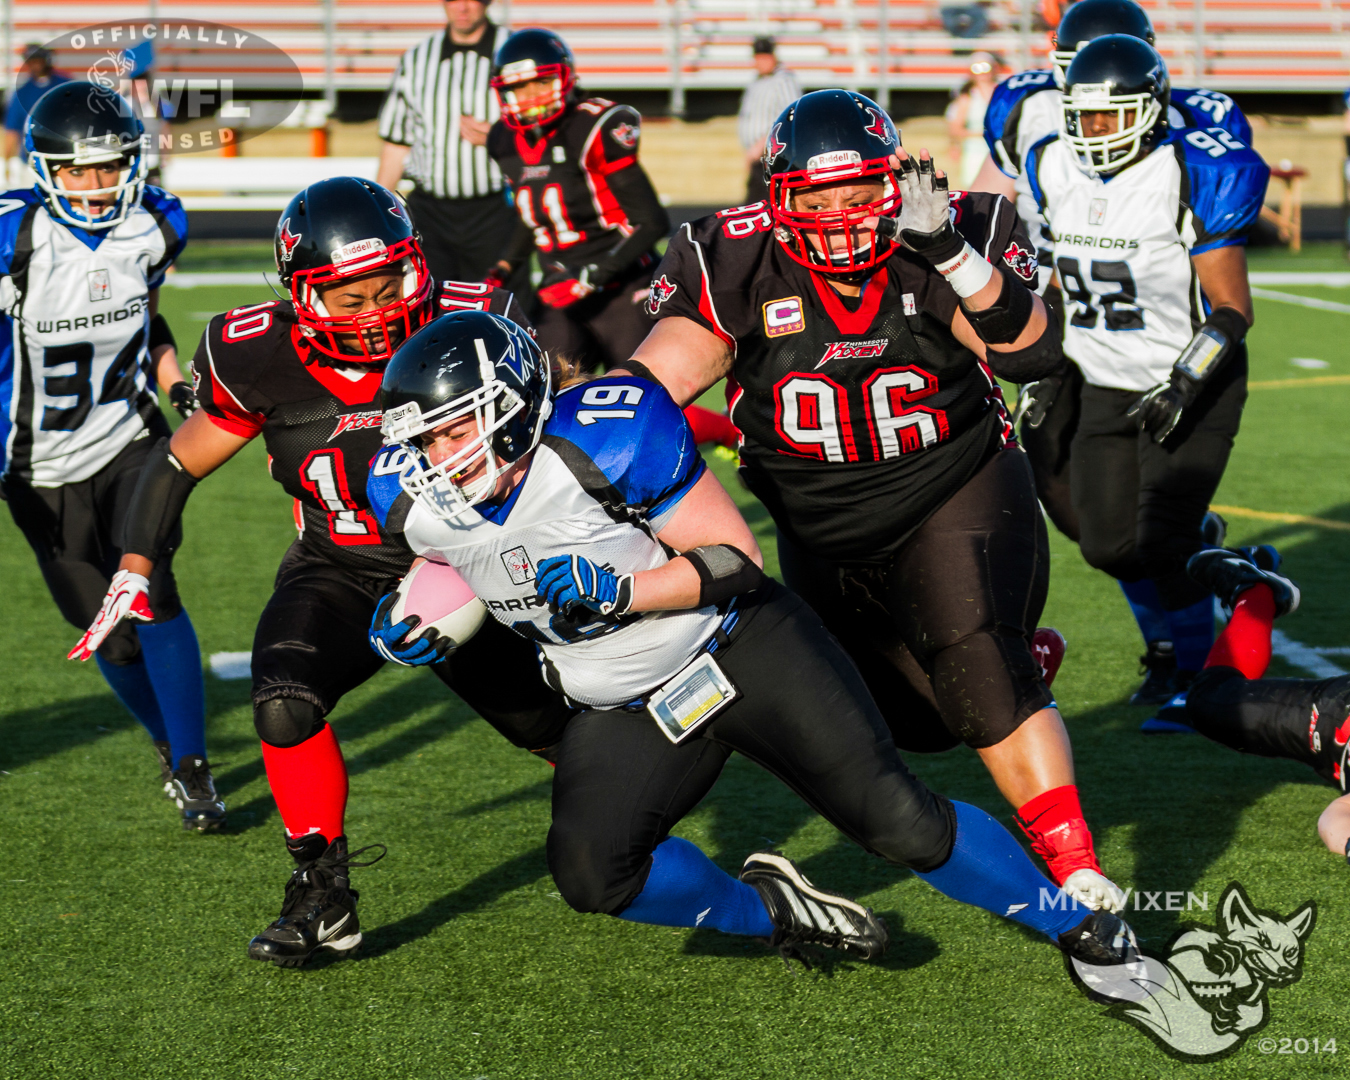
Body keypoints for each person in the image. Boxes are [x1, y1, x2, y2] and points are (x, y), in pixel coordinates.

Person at [367, 307, 1140, 971]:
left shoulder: (604, 435)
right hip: (627, 702)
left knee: (896, 819)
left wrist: (623, 589)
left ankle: (1074, 921)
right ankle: (778, 914)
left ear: (514, 407)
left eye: (451, 431)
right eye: (424, 438)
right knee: (592, 873)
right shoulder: (410, 492)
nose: (436, 458)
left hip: (736, 645)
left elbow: (736, 558)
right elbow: (458, 559)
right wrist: (415, 617)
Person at [618, 88, 1124, 911]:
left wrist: (953, 253)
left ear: (895, 182)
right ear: (779, 198)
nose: (845, 219)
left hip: (953, 488)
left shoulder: (955, 228)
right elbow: (647, 391)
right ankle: (1021, 663)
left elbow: (1031, 353)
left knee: (974, 664)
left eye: (861, 196)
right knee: (920, 728)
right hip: (820, 530)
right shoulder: (733, 259)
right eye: (819, 200)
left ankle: (1075, 867)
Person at [71, 177, 574, 967]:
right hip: (338, 565)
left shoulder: (472, 320)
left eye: (387, 286)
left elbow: (562, 432)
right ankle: (323, 897)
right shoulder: (258, 353)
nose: (373, 311)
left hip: (469, 561)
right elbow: (176, 463)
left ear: (417, 267)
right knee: (282, 705)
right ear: (302, 297)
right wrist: (135, 565)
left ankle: (628, 810)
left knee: (557, 734)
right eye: (346, 297)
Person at [971, 0, 1252, 708]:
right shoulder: (1037, 138)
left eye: (1108, 108)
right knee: (1081, 520)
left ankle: (1187, 663)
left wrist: (1188, 379)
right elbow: (988, 217)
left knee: (1154, 535)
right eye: (1076, 95)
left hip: (1166, 354)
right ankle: (1202, 572)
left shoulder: (1192, 154)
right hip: (1072, 338)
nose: (1091, 123)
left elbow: (1227, 302)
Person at [3, 83, 216, 829]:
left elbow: (146, 321)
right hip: (37, 465)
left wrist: (176, 384)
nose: (96, 185)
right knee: (106, 631)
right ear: (44, 169)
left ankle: (194, 766)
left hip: (131, 440)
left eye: (108, 166)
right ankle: (164, 739)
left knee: (152, 590)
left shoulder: (156, 222)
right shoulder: (15, 240)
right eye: (78, 170)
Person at [485, 29, 668, 375]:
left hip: (623, 283)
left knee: (643, 394)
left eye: (540, 83)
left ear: (564, 78)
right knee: (545, 391)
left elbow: (653, 222)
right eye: (519, 87)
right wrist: (506, 266)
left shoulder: (593, 126)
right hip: (561, 286)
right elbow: (535, 216)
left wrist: (594, 275)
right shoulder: (503, 140)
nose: (529, 96)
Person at [1181, 550, 1350, 861]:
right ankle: (1254, 590)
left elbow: (1337, 814)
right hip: (1333, 714)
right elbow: (1339, 812)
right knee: (1210, 701)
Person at [376, 0, 520, 293]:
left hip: (495, 210)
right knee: (427, 307)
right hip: (430, 214)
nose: (462, 7)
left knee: (502, 307)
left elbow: (545, 134)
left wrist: (499, 137)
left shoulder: (514, 52)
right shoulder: (417, 59)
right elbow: (397, 143)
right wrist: (378, 208)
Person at [737, 37, 803, 205]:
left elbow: (789, 115)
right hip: (757, 157)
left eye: (765, 56)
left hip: (773, 154)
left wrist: (761, 144)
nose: (762, 61)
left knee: (764, 205)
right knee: (755, 205)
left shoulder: (784, 80)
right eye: (758, 57)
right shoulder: (757, 82)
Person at [3, 45, 70, 163]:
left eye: (39, 59)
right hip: (32, 158)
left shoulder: (65, 86)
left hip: (64, 155)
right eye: (32, 61)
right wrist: (6, 162)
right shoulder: (22, 93)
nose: (36, 64)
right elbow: (12, 130)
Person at [946, 53, 999, 188]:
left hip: (998, 150)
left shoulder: (1001, 93)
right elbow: (955, 128)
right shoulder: (967, 97)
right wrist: (981, 133)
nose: (982, 73)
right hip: (975, 152)